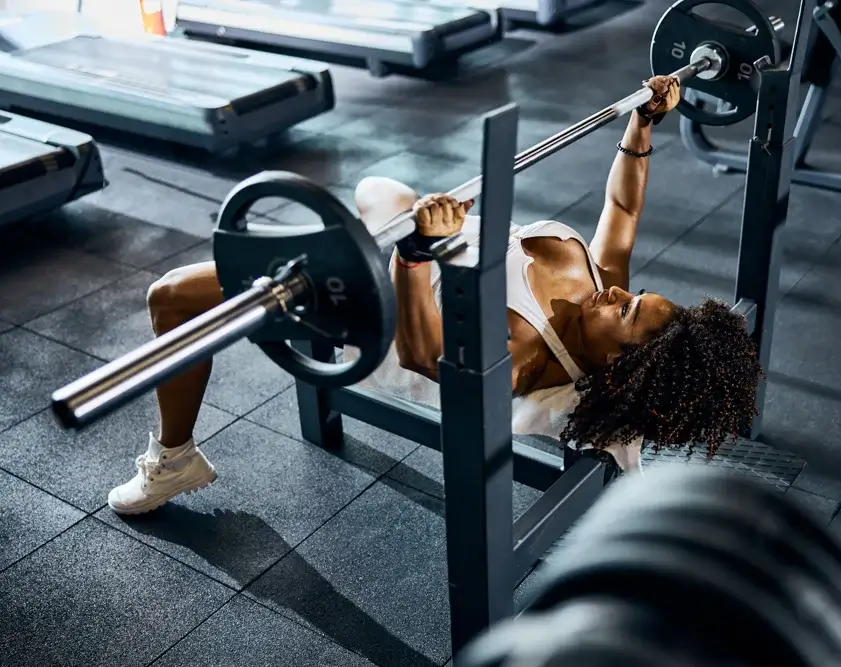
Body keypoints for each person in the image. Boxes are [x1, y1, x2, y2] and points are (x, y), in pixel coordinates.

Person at [108, 75, 763, 515]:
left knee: (170, 296)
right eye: (634, 293)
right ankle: (369, 230)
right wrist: (643, 125)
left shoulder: (531, 351)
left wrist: (418, 252)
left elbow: (422, 351)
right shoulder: (598, 290)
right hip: (431, 236)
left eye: (624, 310)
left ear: (620, 363)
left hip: (378, 298)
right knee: (379, 190)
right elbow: (621, 209)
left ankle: (175, 459)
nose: (617, 291)